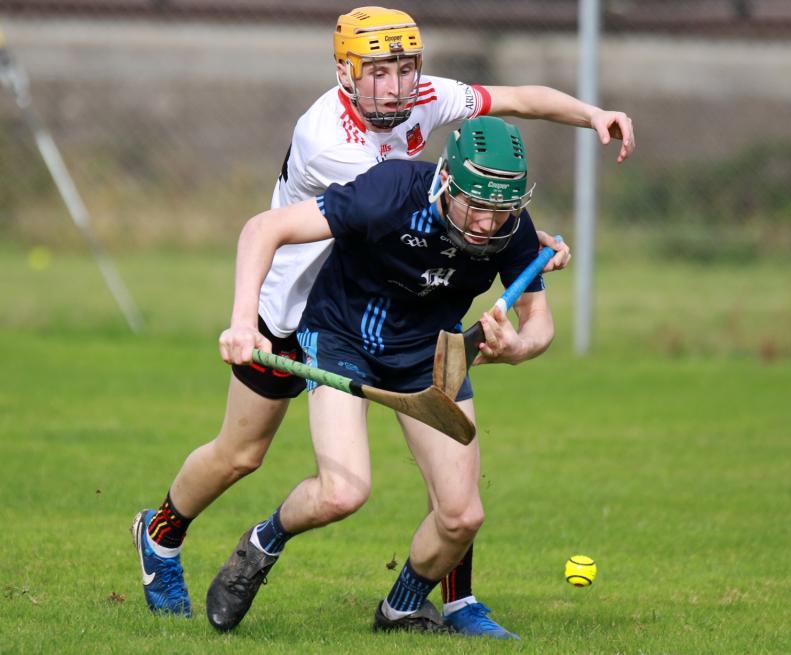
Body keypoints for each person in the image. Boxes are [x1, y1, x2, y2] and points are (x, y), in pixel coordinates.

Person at [131, 6, 630, 637]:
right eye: (379, 74)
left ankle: (448, 599)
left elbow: (513, 100)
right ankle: (160, 536)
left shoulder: (421, 103)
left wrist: (589, 118)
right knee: (241, 453)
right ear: (345, 73)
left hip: (401, 294)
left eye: (406, 70)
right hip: (295, 300)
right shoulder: (334, 145)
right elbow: (402, 220)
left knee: (450, 468)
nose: (396, 88)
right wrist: (504, 234)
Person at [207, 115, 556, 637]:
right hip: (343, 339)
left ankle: (401, 608)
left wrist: (517, 348)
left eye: (502, 209)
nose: (487, 224)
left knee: (461, 517)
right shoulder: (389, 194)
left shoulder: (509, 229)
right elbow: (265, 228)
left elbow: (540, 322)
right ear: (445, 181)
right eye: (476, 206)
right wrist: (242, 320)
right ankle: (263, 542)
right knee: (341, 493)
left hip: (432, 356)